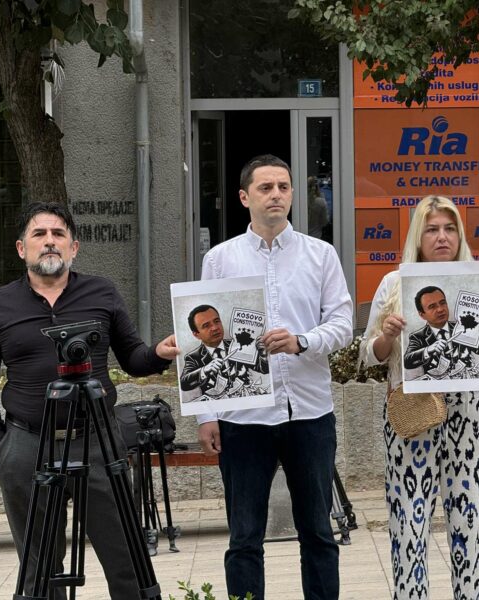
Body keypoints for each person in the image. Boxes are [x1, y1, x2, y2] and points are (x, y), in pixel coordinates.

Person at [0, 202, 180, 600]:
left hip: (98, 442)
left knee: (126, 558)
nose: (49, 241)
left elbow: (133, 358)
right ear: (21, 248)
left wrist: (158, 353)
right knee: (39, 571)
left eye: (59, 234)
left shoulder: (102, 292)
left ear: (74, 247)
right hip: (27, 445)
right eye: (39, 234)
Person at [196, 154, 352, 600]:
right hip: (244, 416)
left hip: (308, 412)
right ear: (244, 197)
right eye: (265, 188)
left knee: (318, 532)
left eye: (283, 187)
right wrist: (206, 415)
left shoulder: (321, 255)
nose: (276, 195)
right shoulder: (219, 259)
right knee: (245, 538)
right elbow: (202, 339)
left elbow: (343, 325)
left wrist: (302, 341)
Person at [359, 195, 479, 600]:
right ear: (418, 236)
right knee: (408, 521)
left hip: (470, 413)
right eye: (431, 229)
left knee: (473, 518)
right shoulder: (394, 284)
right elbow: (368, 355)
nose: (442, 237)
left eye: (449, 228)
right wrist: (386, 337)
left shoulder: (477, 284)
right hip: (412, 411)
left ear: (460, 235)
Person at [180, 304, 268, 398]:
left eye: (217, 321)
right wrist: (204, 370)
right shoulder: (193, 357)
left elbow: (264, 369)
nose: (215, 328)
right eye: (206, 326)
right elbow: (184, 384)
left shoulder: (238, 345)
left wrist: (263, 355)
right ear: (196, 334)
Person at [403, 285, 479, 378]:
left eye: (442, 303)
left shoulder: (462, 327)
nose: (440, 309)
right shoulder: (417, 336)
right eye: (432, 307)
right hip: (437, 386)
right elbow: (407, 362)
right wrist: (428, 350)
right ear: (422, 315)